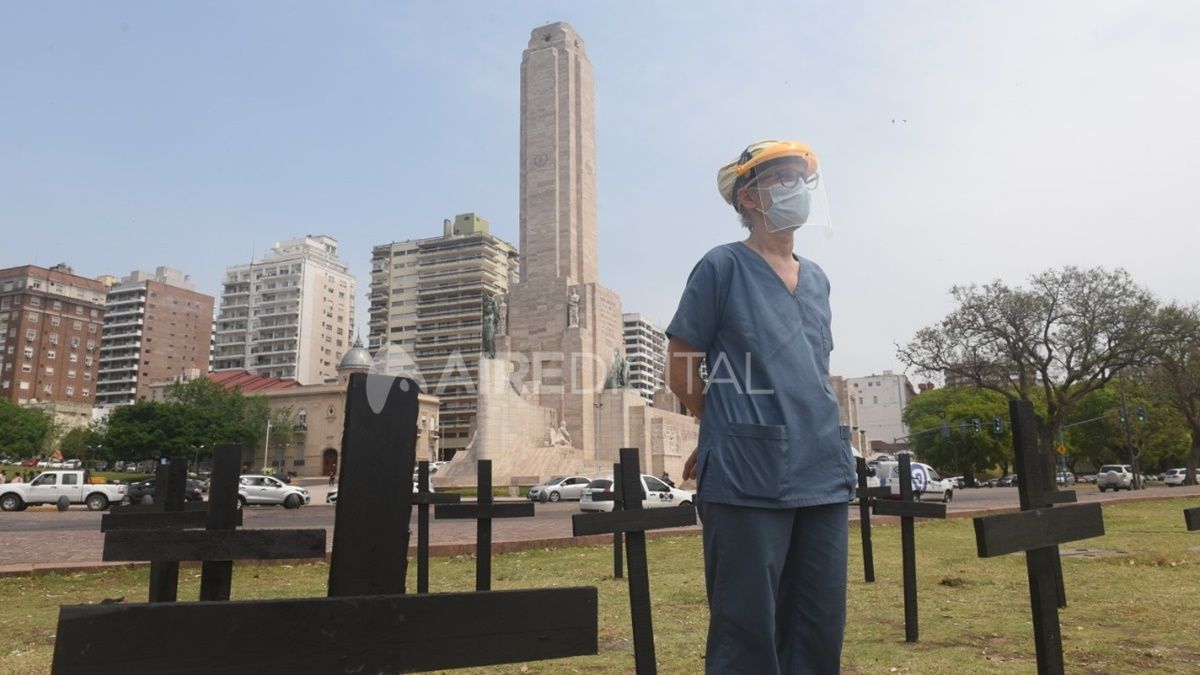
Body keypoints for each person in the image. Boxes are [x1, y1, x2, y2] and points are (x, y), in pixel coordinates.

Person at [666, 140, 854, 674]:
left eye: (804, 180)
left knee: (819, 627)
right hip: (748, 473)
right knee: (746, 629)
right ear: (749, 197)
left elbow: (809, 369)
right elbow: (680, 364)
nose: (800, 190)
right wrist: (719, 428)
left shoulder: (816, 279)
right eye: (785, 179)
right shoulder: (722, 266)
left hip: (821, 467)